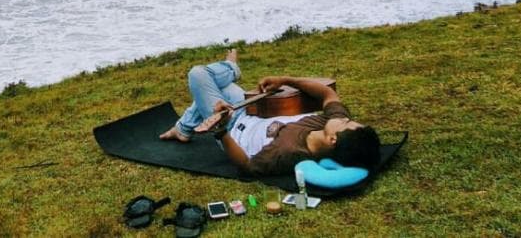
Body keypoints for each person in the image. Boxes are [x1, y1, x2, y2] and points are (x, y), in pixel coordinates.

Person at [159, 49, 380, 176]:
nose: (343, 118)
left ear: (332, 140)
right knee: (215, 86)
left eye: (345, 123)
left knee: (198, 75)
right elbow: (328, 94)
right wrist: (285, 79)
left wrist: (221, 131)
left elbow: (246, 165)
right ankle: (183, 129)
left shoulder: (287, 153)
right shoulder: (328, 122)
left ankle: (231, 67)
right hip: (248, 110)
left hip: (232, 126)